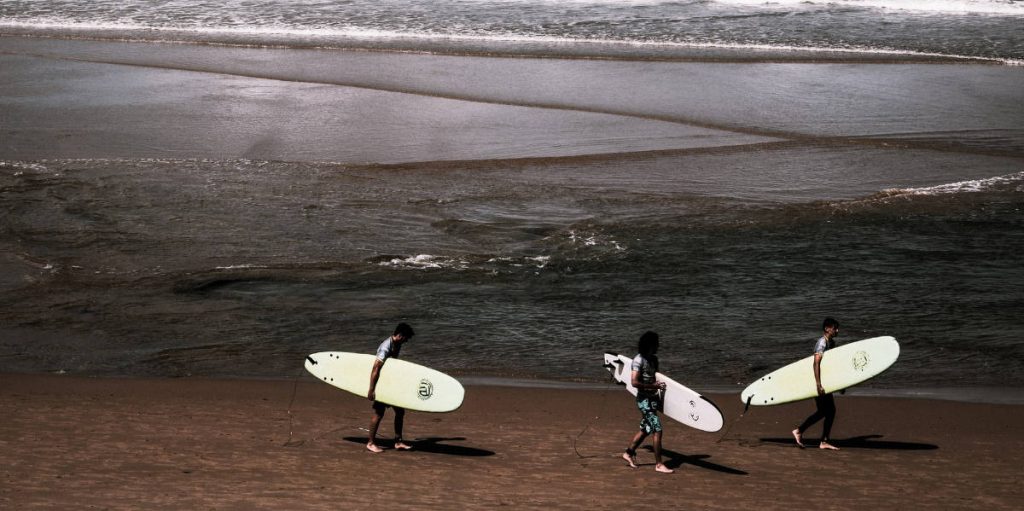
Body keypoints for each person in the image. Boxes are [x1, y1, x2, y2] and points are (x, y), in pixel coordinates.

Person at [622, 331, 674, 474]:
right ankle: (659, 464)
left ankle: (628, 453)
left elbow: (655, 377)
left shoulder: (654, 359)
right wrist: (654, 387)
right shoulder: (638, 360)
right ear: (650, 345)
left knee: (646, 429)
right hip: (644, 401)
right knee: (657, 429)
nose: (658, 345)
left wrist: (658, 388)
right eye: (656, 343)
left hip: (653, 400)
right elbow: (634, 382)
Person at [792, 317, 841, 451]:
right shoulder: (822, 343)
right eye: (835, 328)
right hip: (818, 381)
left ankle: (817, 438)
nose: (837, 330)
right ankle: (802, 432)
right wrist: (818, 384)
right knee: (827, 411)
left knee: (826, 411)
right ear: (827, 329)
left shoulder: (832, 343)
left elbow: (831, 366)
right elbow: (816, 363)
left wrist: (841, 384)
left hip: (825, 381)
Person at [366, 322, 416, 453]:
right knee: (378, 413)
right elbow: (376, 369)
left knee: (400, 412)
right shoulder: (385, 347)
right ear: (400, 335)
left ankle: (398, 442)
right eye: (406, 338)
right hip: (382, 385)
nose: (406, 341)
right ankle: (370, 443)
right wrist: (371, 389)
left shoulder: (397, 344)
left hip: (390, 384)